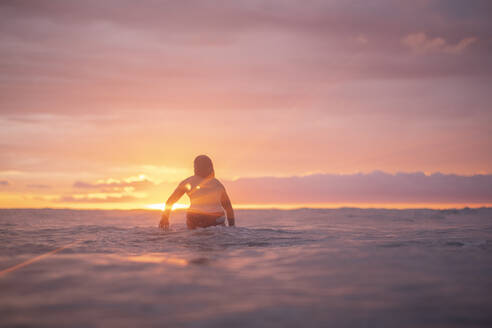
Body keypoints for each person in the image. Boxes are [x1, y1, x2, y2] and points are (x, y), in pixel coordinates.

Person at [159, 155, 235, 230]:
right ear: (211, 167)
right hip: (216, 218)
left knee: (195, 234)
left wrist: (164, 218)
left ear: (196, 167)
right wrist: (232, 227)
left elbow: (170, 201)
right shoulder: (218, 184)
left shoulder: (188, 182)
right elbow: (228, 208)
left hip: (196, 218)